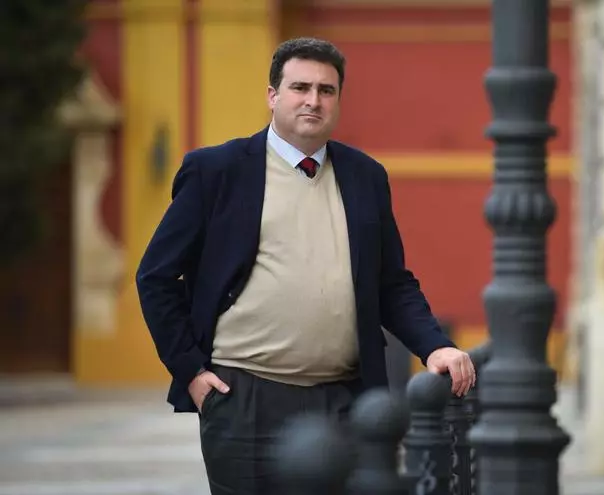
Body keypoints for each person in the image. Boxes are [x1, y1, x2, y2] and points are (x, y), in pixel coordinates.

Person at [135, 37, 476, 494]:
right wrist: (192, 372)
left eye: (326, 90)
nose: (313, 100)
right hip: (243, 398)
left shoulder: (366, 176)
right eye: (300, 87)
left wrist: (434, 347)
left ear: (338, 100)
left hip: (345, 399)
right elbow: (155, 276)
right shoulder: (216, 171)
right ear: (272, 96)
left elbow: (391, 283)